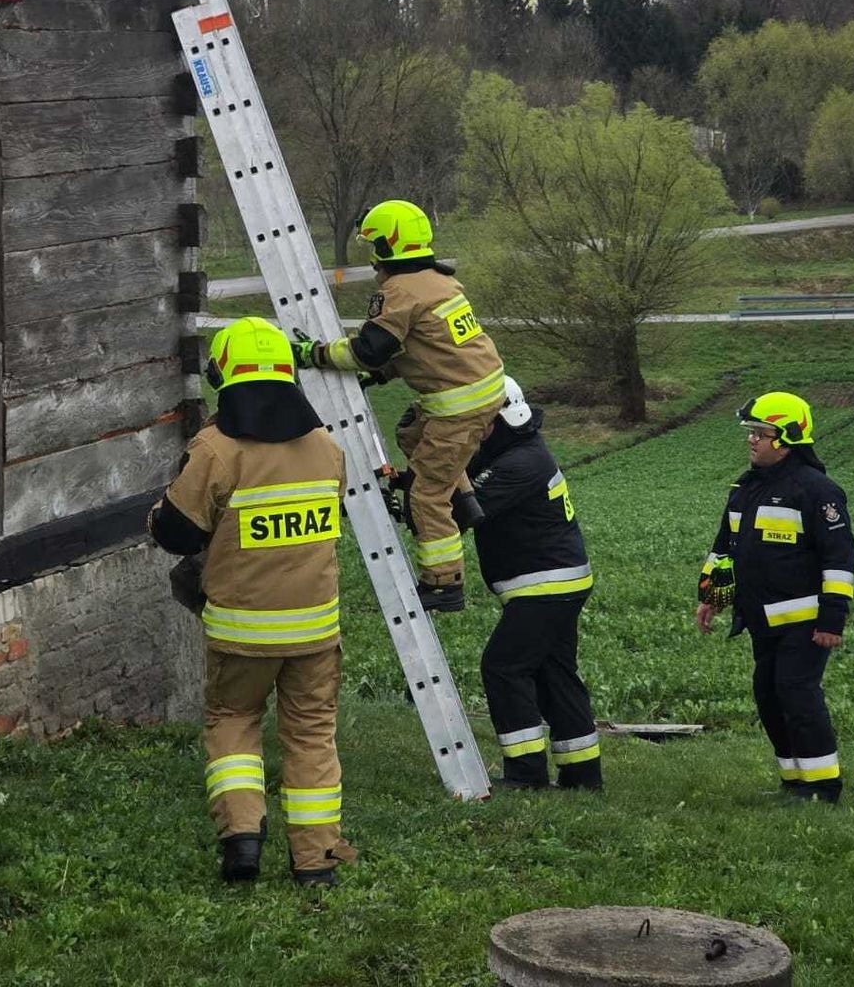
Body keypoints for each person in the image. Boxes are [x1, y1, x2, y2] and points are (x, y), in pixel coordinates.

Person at [149, 316, 356, 885]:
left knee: (233, 720)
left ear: (223, 375)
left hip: (242, 631)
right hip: (315, 630)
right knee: (312, 735)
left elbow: (177, 535)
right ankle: (316, 863)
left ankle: (242, 838)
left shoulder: (217, 450)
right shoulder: (326, 448)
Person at [293, 199, 505, 613]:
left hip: (457, 409)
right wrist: (383, 373)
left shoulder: (399, 292)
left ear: (386, 248)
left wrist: (313, 354)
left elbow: (368, 350)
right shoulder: (438, 281)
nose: (370, 257)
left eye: (372, 245)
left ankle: (444, 584)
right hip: (480, 393)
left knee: (425, 497)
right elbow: (425, 346)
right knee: (410, 431)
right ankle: (464, 503)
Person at [696, 391, 854, 803]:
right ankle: (795, 781)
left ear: (786, 439)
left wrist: (831, 620)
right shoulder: (746, 488)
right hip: (761, 620)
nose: (751, 440)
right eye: (750, 432)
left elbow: (839, 560)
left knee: (797, 694)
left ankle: (824, 786)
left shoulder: (818, 492)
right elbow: (724, 548)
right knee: (768, 695)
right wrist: (711, 595)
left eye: (760, 433)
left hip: (805, 623)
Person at [466, 377, 601, 791]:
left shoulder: (518, 464)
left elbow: (461, 509)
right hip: (557, 581)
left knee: (503, 667)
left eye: (479, 421)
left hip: (544, 585)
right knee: (555, 674)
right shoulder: (519, 451)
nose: (473, 431)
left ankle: (525, 773)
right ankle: (582, 775)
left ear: (501, 417)